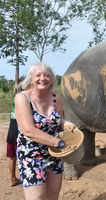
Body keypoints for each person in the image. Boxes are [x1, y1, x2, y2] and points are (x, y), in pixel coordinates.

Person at [15, 62, 75, 200]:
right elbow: (28, 130)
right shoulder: (22, 98)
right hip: (32, 157)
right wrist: (58, 142)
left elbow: (59, 122)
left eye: (47, 75)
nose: (43, 78)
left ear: (52, 79)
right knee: (37, 197)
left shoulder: (55, 97)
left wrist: (68, 125)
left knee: (53, 195)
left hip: (55, 155)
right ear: (31, 79)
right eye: (38, 75)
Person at [6, 99, 22, 186]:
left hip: (11, 134)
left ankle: (12, 179)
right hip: (18, 135)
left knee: (12, 157)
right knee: (22, 158)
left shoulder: (14, 100)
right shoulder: (23, 100)